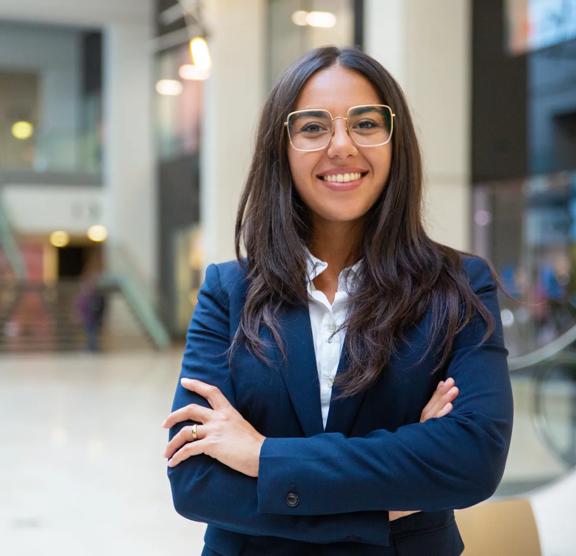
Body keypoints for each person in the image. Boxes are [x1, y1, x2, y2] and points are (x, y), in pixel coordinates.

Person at [163, 46, 513, 556]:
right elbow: (195, 482)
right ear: (280, 148)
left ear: (396, 142)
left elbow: (473, 458)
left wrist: (263, 457)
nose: (342, 145)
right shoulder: (229, 291)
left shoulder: (457, 286)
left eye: (366, 123)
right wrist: (392, 491)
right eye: (312, 127)